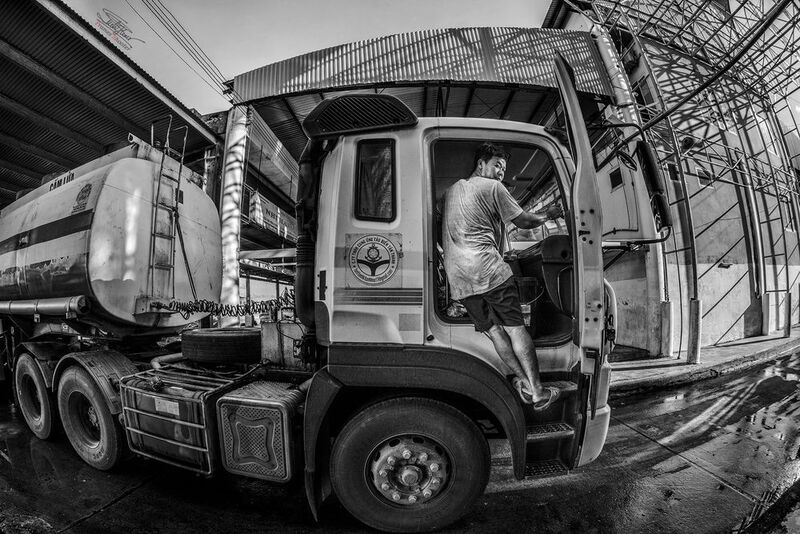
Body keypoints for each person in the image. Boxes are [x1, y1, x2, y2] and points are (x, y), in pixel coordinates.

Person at [442, 142, 563, 409]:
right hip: (489, 271)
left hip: (460, 280)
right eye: (497, 165)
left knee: (495, 332)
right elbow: (524, 221)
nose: (500, 172)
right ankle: (539, 391)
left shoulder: (450, 192)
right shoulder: (493, 188)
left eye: (503, 168)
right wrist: (548, 214)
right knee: (515, 328)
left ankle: (522, 382)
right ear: (481, 164)